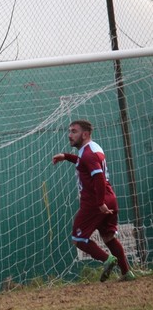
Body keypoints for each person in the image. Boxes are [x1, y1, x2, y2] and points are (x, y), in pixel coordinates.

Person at [52, 120, 134, 282]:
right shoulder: (92, 148)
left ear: (85, 134)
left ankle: (107, 260)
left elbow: (97, 177)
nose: (70, 135)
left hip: (95, 202)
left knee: (79, 239)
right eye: (69, 131)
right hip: (109, 198)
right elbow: (84, 163)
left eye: (74, 131)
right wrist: (66, 157)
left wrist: (99, 203)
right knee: (109, 238)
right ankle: (126, 273)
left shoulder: (88, 153)